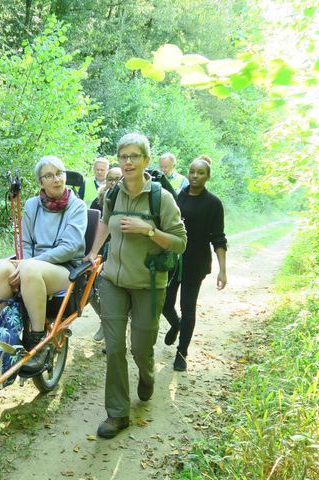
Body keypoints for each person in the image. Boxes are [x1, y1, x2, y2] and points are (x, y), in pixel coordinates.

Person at [86, 133, 187, 439]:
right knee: (114, 347)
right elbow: (105, 222)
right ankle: (117, 413)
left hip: (148, 285)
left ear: (146, 159)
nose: (127, 162)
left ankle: (147, 373)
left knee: (140, 347)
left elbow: (180, 242)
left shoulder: (161, 198)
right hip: (114, 281)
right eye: (123, 156)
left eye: (134, 156)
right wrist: (93, 252)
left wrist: (150, 230)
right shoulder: (113, 193)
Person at [0, 156, 87, 371]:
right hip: (32, 264)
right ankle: (4, 333)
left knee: (31, 270)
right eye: (49, 176)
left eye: (60, 173)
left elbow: (70, 248)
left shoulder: (77, 206)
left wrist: (27, 264)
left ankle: (37, 340)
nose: (56, 179)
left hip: (64, 268)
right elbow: (24, 242)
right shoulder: (32, 205)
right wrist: (22, 263)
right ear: (40, 182)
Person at [162, 155, 227, 372]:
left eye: (200, 173)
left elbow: (218, 238)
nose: (195, 176)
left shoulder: (213, 203)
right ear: (187, 173)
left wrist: (222, 271)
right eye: (192, 172)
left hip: (196, 262)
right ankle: (176, 324)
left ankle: (182, 353)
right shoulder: (180, 196)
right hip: (174, 260)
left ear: (208, 176)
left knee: (187, 307)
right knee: (165, 304)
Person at [90, 166, 122, 341]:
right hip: (99, 253)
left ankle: (113, 332)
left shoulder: (127, 201)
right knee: (91, 292)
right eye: (110, 179)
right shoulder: (98, 201)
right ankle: (104, 320)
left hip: (119, 255)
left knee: (113, 295)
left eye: (118, 178)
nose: (113, 182)